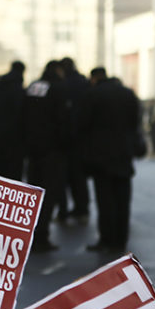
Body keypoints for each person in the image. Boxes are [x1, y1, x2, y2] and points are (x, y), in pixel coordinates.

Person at [79, 68, 141, 253]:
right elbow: (135, 123)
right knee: (123, 200)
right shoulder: (128, 94)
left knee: (105, 201)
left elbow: (83, 124)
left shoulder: (93, 95)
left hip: (101, 156)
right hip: (124, 154)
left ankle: (106, 239)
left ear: (95, 78)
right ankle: (120, 241)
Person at [22, 60, 70, 252]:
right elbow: (64, 121)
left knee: (34, 195)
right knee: (48, 195)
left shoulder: (32, 87)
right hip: (52, 151)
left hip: (33, 152)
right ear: (58, 70)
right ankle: (42, 237)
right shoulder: (59, 89)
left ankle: (32, 235)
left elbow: (22, 116)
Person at [59, 57, 92, 222]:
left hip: (67, 138)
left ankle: (68, 210)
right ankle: (82, 208)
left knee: (67, 177)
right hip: (83, 138)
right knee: (80, 177)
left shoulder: (63, 84)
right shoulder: (84, 83)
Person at [0, 61, 27, 180]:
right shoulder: (18, 87)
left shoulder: (0, 85)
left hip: (1, 133)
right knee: (14, 171)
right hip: (16, 135)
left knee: (2, 169)